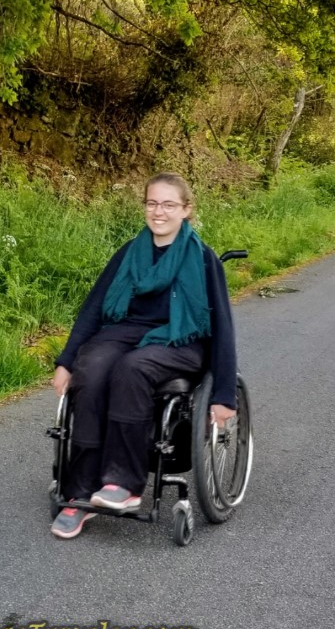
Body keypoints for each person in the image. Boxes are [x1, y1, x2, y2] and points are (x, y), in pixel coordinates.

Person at [49, 172, 238, 539]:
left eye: (168, 204)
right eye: (152, 203)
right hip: (128, 332)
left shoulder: (202, 258)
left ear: (186, 210)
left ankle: (123, 483)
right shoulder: (129, 253)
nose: (159, 211)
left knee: (132, 368)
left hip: (181, 341)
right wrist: (66, 360)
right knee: (93, 366)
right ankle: (80, 491)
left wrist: (223, 394)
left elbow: (223, 327)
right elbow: (92, 310)